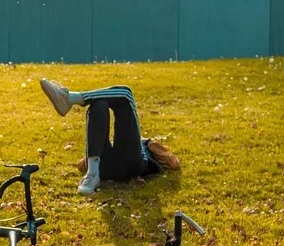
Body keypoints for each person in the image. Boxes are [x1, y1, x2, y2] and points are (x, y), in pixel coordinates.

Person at [39, 80, 179, 195]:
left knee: (125, 94)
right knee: (99, 103)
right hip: (108, 167)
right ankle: (92, 175)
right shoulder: (138, 144)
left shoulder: (147, 145)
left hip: (121, 166)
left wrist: (147, 142)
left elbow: (172, 162)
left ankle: (69, 98)